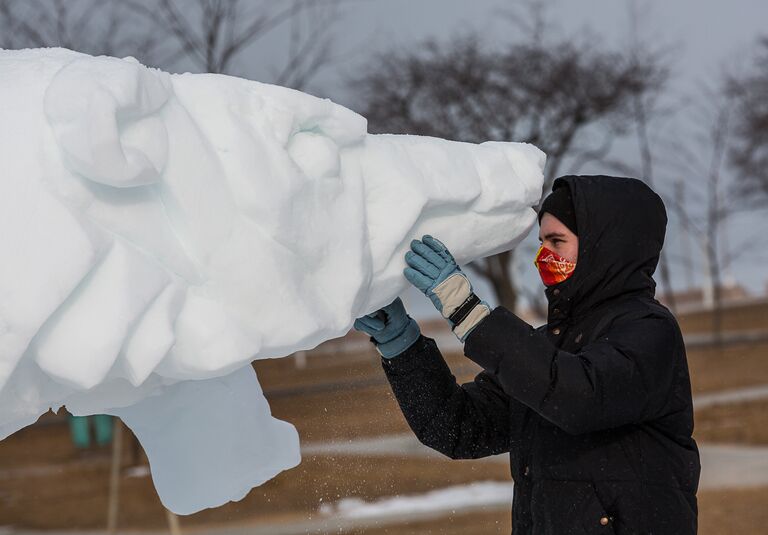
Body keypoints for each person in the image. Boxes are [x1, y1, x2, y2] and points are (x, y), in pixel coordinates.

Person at [354, 175, 700, 534]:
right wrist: (403, 345)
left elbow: (577, 397)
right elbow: (457, 427)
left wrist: (466, 308)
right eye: (541, 241)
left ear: (604, 247)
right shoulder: (545, 350)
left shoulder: (649, 333)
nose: (543, 256)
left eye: (557, 241)